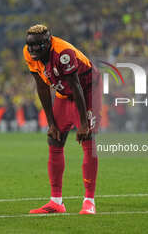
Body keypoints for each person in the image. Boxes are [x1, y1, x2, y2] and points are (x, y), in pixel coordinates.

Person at [23, 24, 102, 214]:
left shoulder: (63, 52)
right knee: (55, 138)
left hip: (88, 90)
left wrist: (83, 124)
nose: (32, 49)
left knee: (87, 140)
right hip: (63, 92)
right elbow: (42, 87)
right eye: (30, 45)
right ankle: (56, 201)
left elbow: (77, 86)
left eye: (37, 45)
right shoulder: (28, 53)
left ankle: (89, 201)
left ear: (48, 43)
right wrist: (51, 123)